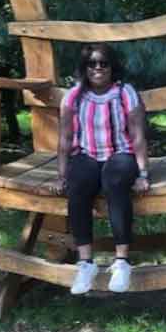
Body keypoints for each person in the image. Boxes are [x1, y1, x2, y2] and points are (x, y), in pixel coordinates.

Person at [55, 43, 150, 295]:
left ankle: (121, 261)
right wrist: (62, 175)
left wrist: (142, 174)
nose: (98, 68)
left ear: (112, 67)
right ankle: (85, 263)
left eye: (103, 63)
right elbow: (65, 138)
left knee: (114, 182)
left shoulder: (125, 93)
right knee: (78, 185)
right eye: (92, 63)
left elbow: (138, 135)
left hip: (120, 153)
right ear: (84, 68)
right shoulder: (74, 96)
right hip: (87, 154)